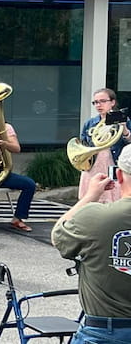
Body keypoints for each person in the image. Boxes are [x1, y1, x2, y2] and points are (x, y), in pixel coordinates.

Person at [51, 145, 131, 344]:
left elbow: (58, 235)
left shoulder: (94, 215)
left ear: (119, 176)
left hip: (105, 331)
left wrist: (90, 196)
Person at [76, 88, 130, 205]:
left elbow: (129, 145)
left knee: (113, 198)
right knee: (90, 199)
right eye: (95, 102)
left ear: (112, 102)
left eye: (102, 101)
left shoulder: (123, 120)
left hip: (112, 161)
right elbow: (83, 144)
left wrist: (124, 129)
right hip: (93, 163)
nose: (98, 105)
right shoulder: (90, 123)